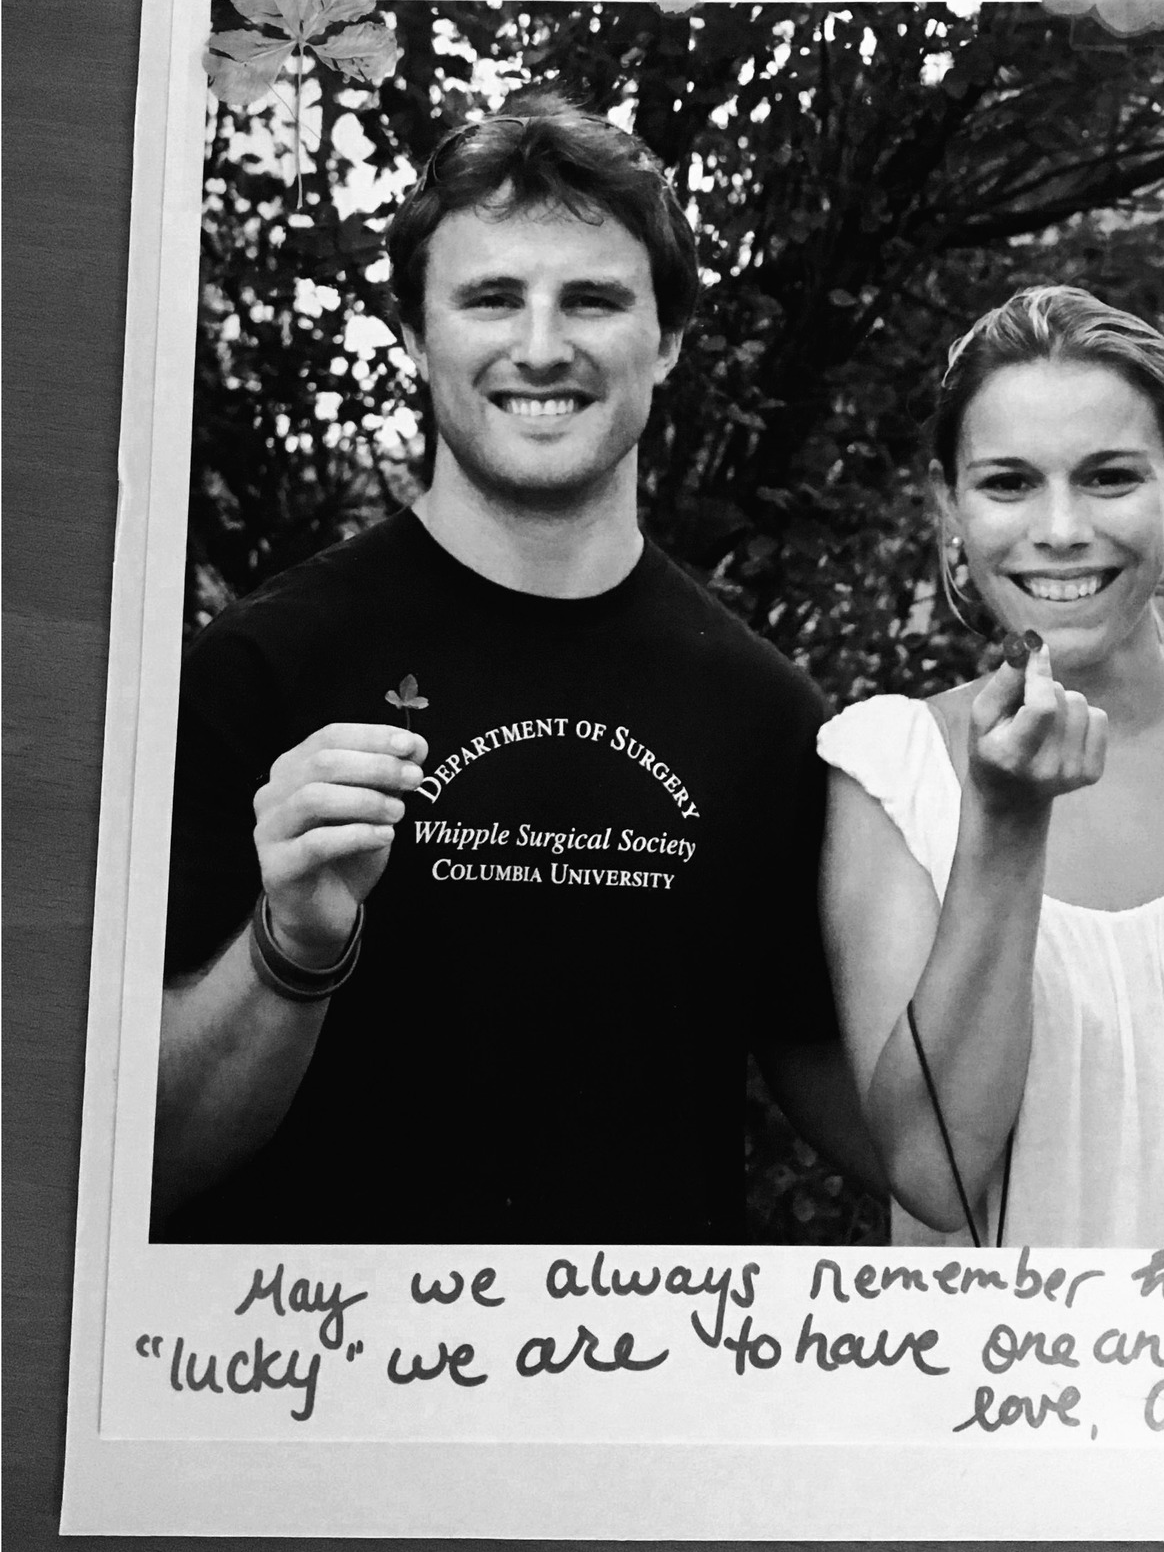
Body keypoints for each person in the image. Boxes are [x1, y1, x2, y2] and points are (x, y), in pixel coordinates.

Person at [154, 90, 873, 1243]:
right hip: (301, 1391)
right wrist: (292, 946)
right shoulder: (262, 669)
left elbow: (917, 1139)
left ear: (670, 339)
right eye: (492, 298)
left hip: (629, 1383)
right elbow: (132, 1171)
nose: (541, 346)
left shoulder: (766, 714)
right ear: (414, 336)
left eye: (591, 299)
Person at [817, 283, 1164, 1252]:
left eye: (1110, 476)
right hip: (1044, 1399)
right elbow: (931, 1172)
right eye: (1008, 483)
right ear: (947, 504)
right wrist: (1002, 827)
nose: (1063, 528)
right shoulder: (884, 767)